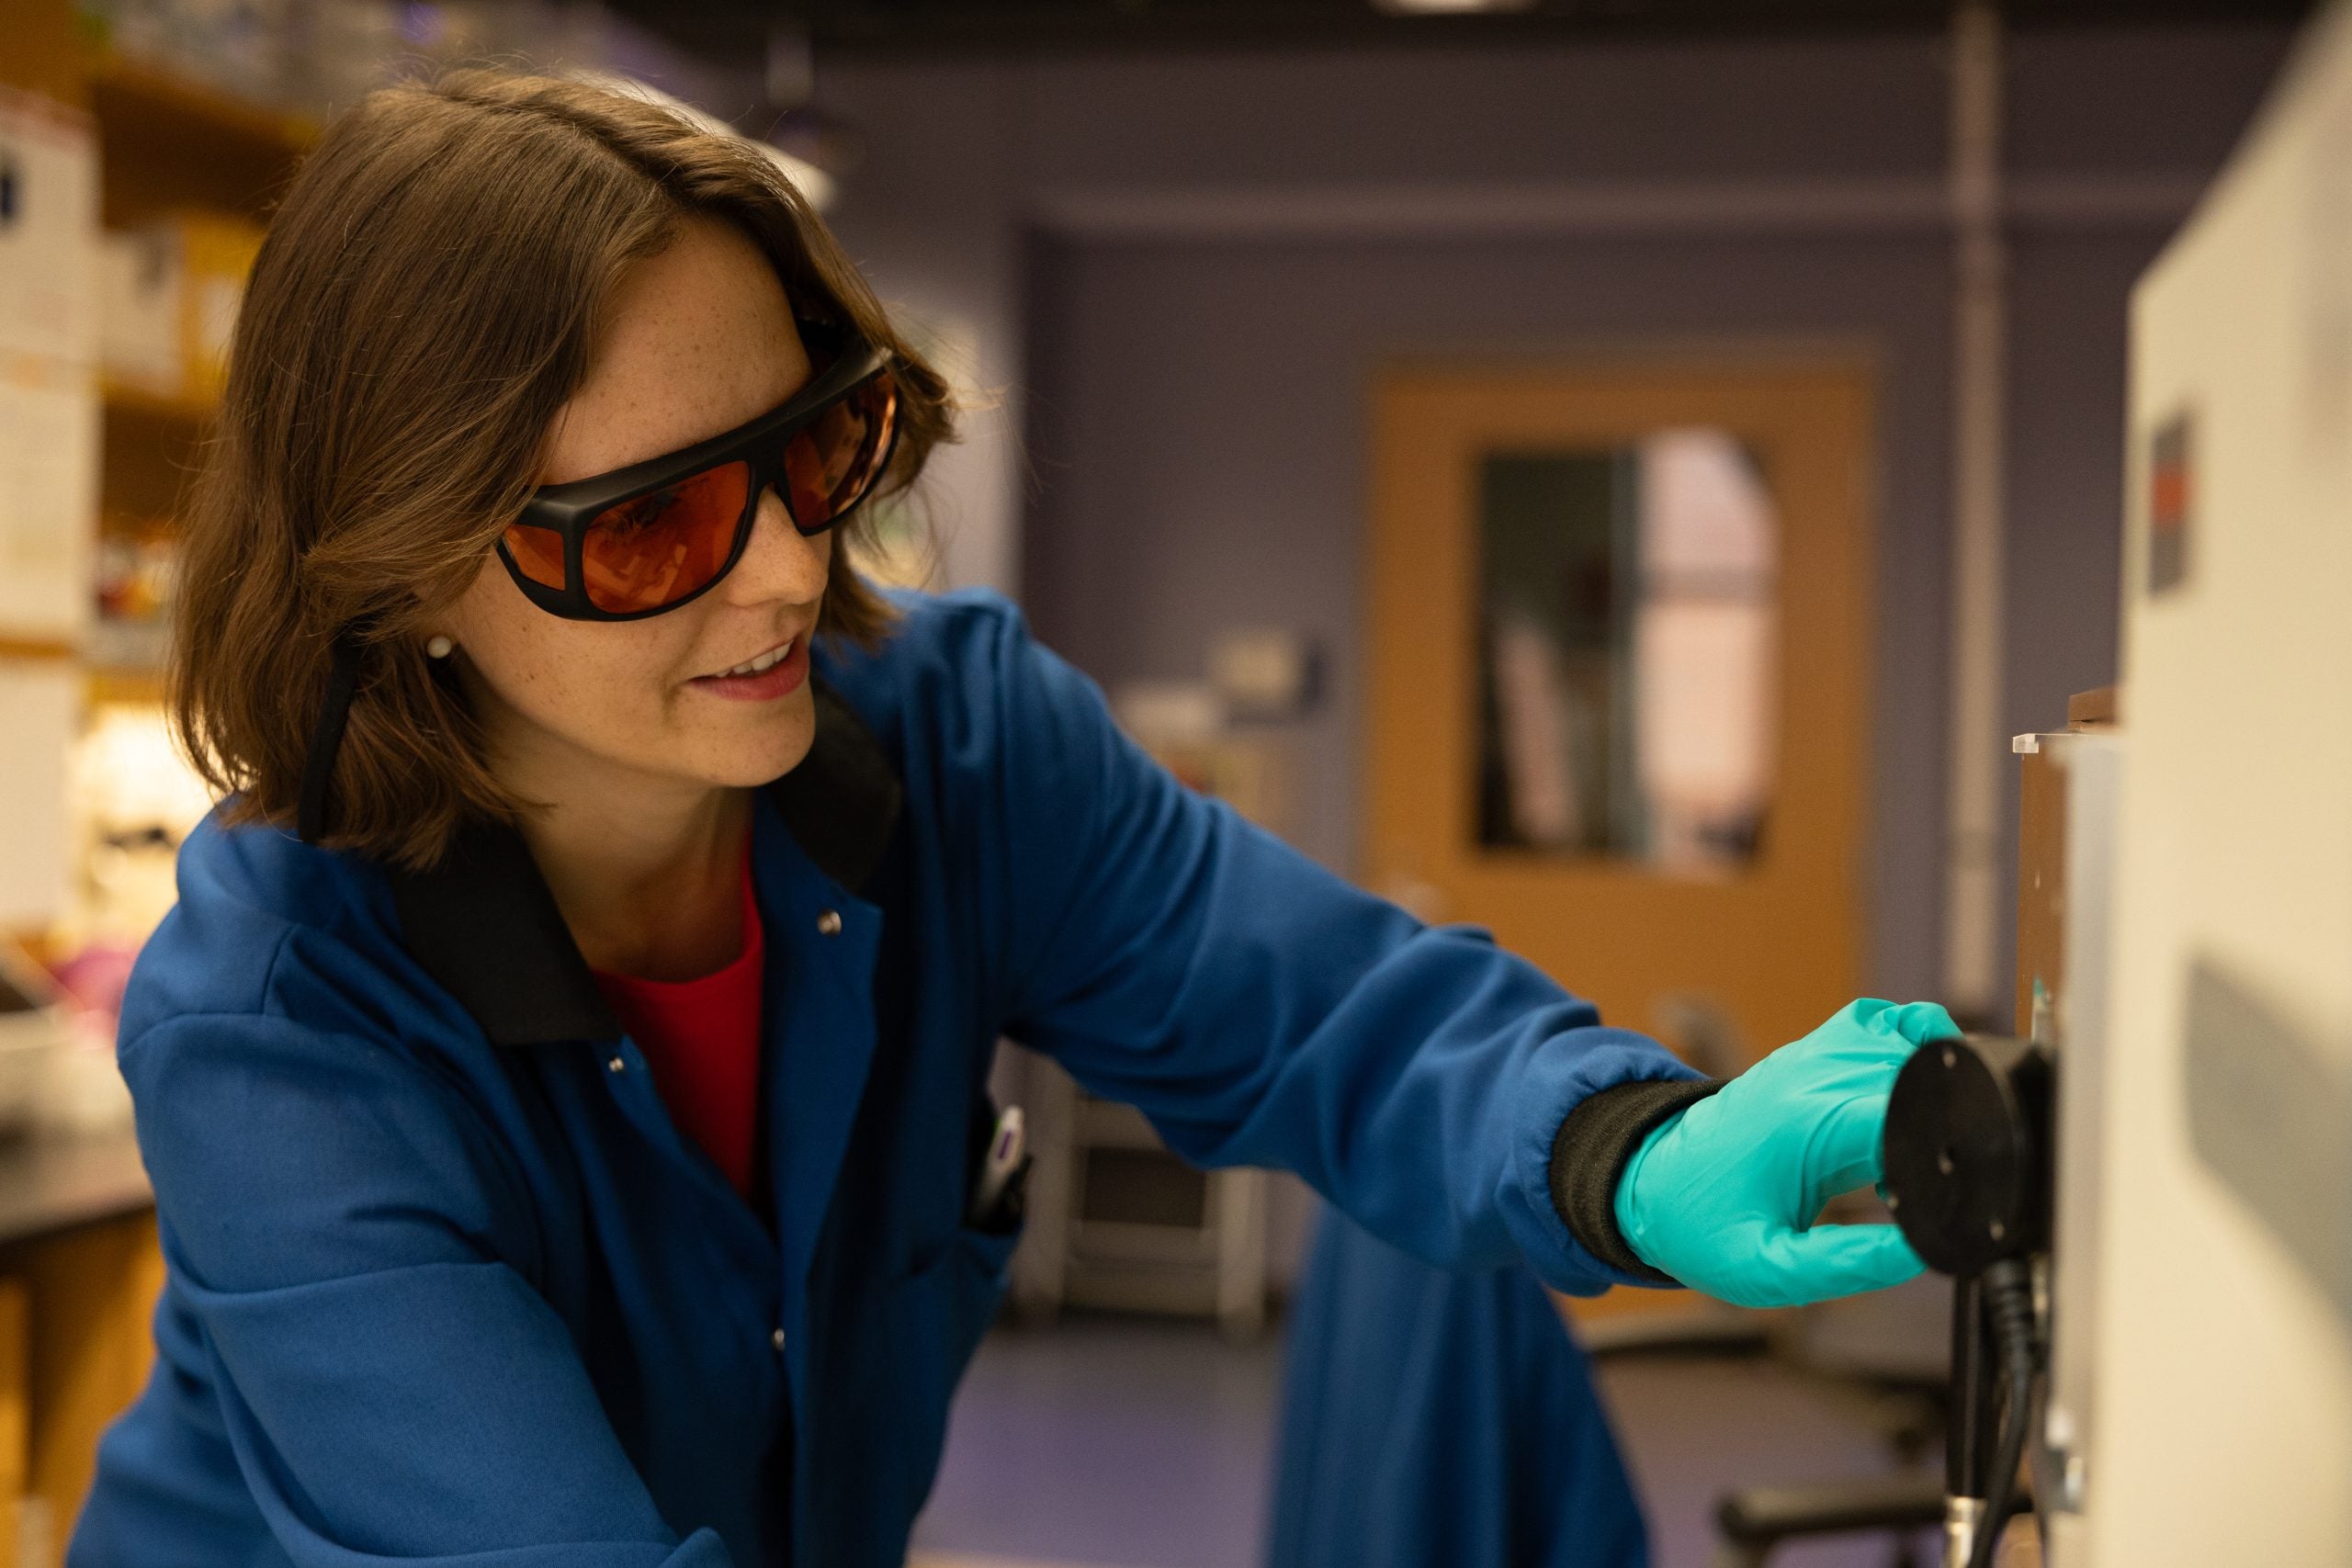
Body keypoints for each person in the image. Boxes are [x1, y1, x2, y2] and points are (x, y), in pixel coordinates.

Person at [69, 70, 1956, 1568]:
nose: (792, 573)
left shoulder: (945, 740)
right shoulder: (283, 1020)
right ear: (398, 577)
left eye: (813, 452)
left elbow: (1324, 1014)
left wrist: (1626, 1144)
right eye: (651, 523)